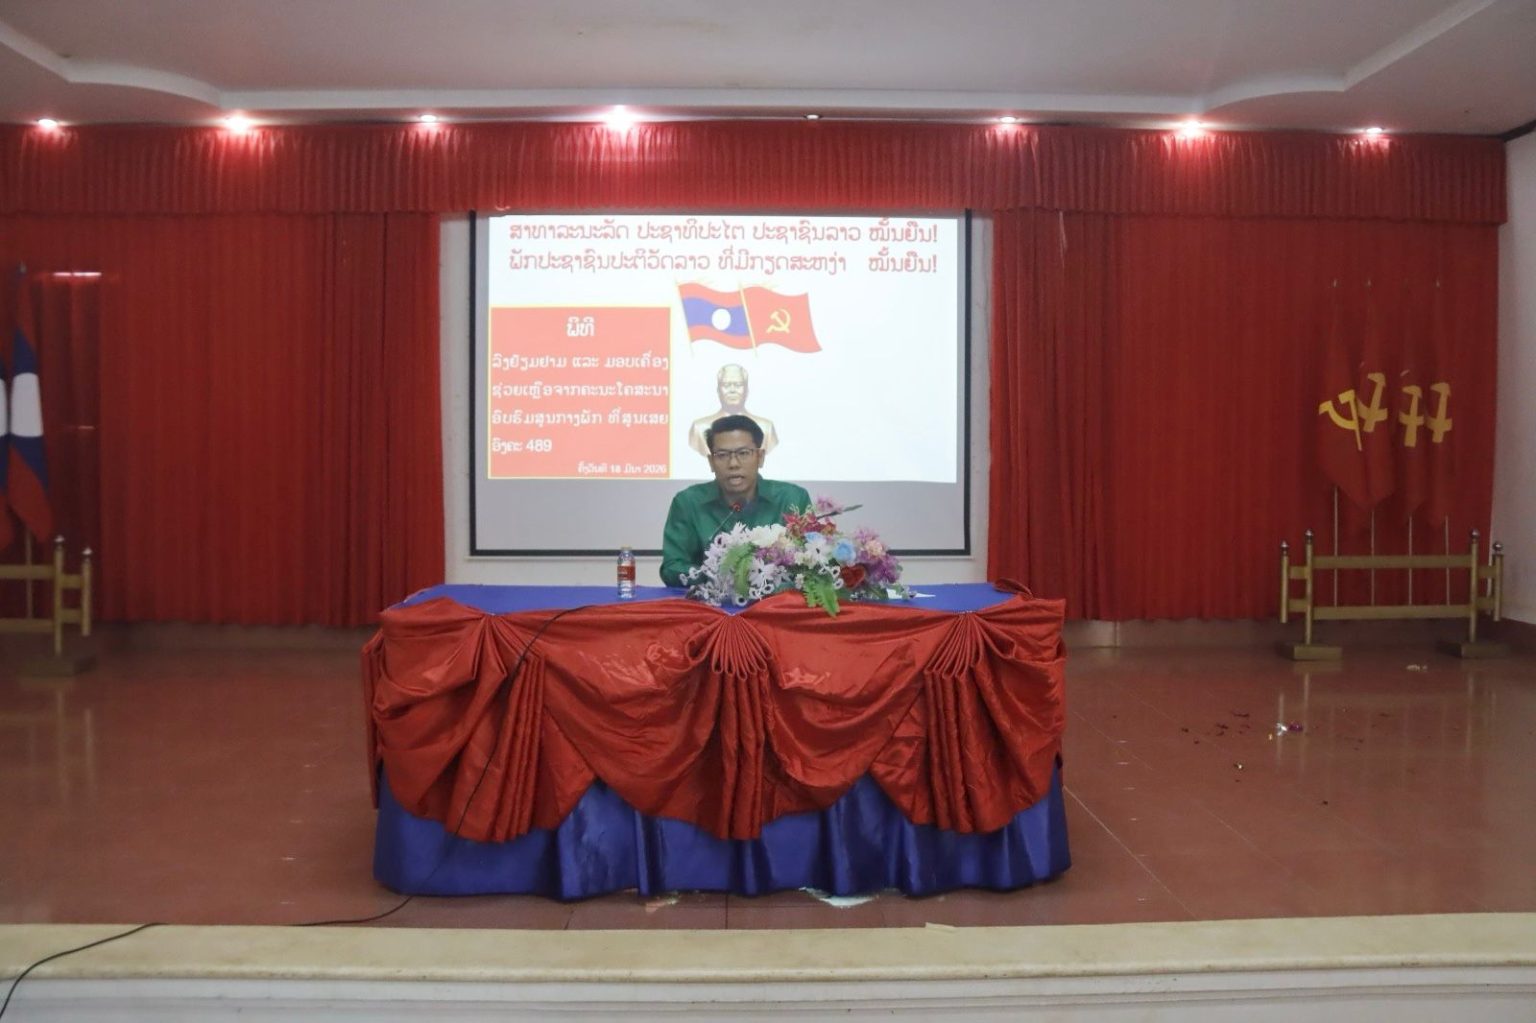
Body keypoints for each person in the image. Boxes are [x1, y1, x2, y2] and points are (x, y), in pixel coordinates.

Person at [661, 414, 810, 587]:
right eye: (722, 455)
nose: (733, 464)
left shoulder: (792, 499)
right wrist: (717, 576)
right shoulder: (688, 503)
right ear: (711, 462)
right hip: (710, 600)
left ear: (760, 457)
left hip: (774, 600)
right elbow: (672, 568)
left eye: (743, 453)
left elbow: (811, 565)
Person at [687, 364, 779, 456]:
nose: (732, 390)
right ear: (718, 390)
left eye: (738, 385)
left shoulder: (766, 428)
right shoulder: (699, 428)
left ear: (746, 390)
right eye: (726, 385)